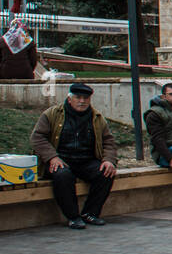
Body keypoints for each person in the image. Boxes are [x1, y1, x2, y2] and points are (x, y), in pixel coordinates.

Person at [30, 82, 118, 228]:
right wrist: (52, 157)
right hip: (60, 159)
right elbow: (37, 137)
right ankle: (73, 217)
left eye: (86, 98)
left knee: (105, 173)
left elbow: (108, 140)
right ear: (69, 98)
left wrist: (109, 160)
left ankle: (90, 213)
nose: (82, 101)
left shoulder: (97, 117)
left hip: (86, 160)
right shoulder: (52, 114)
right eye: (78, 97)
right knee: (63, 175)